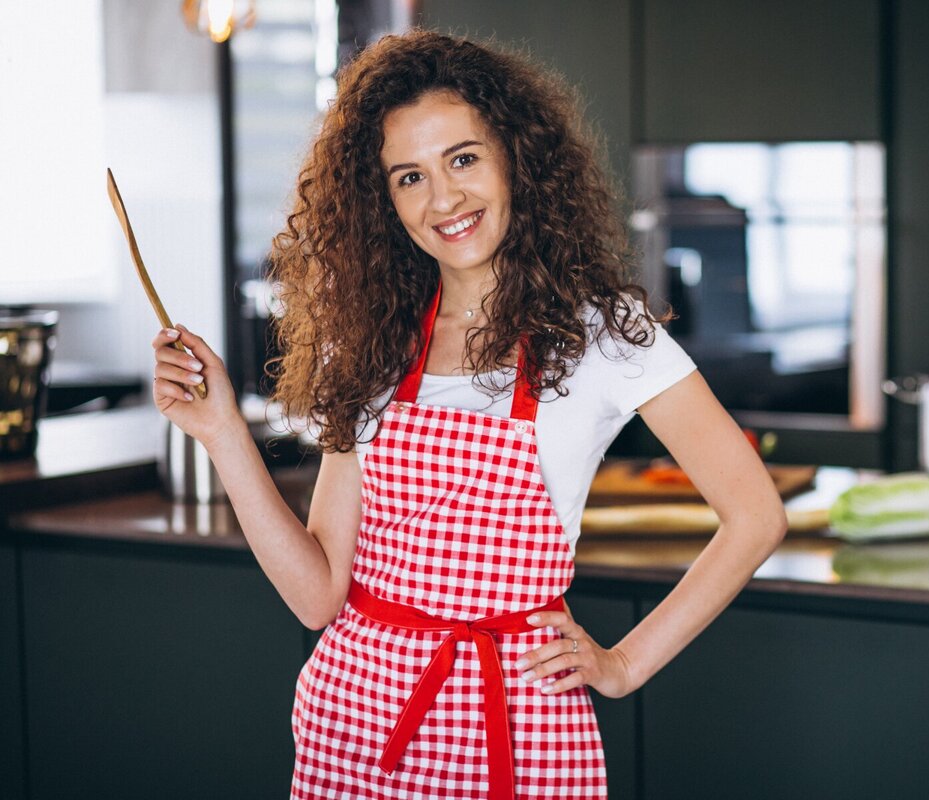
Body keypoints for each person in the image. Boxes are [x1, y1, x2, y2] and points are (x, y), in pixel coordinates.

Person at [151, 29, 786, 799]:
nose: (443, 199)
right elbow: (319, 597)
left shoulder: (604, 335)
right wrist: (221, 435)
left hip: (515, 729)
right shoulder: (372, 341)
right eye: (408, 177)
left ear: (515, 155)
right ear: (381, 200)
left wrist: (622, 665)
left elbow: (756, 515)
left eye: (463, 158)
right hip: (353, 723)